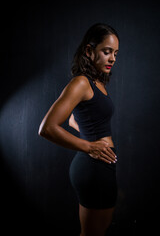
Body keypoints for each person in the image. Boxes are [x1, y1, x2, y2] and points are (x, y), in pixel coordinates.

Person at [38, 23, 119, 236]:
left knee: (95, 231)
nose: (112, 58)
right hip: (93, 168)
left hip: (100, 168)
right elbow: (47, 128)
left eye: (115, 53)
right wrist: (89, 146)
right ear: (89, 51)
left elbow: (76, 118)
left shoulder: (96, 82)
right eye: (106, 51)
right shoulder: (82, 83)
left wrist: (83, 132)